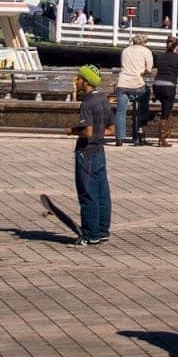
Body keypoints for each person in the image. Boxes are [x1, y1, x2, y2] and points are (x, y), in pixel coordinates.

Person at [68, 65, 112, 246]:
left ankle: (90, 233)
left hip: (87, 153)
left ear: (86, 82)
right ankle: (102, 231)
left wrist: (72, 131)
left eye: (78, 78)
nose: (76, 81)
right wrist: (97, 134)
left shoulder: (87, 103)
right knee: (102, 193)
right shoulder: (103, 100)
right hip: (100, 151)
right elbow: (111, 130)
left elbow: (87, 132)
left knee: (88, 194)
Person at [115, 32, 153, 147]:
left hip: (122, 83)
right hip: (137, 84)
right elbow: (149, 69)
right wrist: (143, 72)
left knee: (121, 112)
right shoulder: (146, 51)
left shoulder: (125, 51)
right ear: (143, 42)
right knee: (145, 95)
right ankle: (139, 128)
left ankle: (120, 138)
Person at [150, 34, 178, 147]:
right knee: (165, 113)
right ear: (177, 46)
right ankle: (162, 139)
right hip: (169, 86)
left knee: (163, 107)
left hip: (157, 85)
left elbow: (158, 67)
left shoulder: (160, 56)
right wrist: (176, 73)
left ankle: (166, 134)